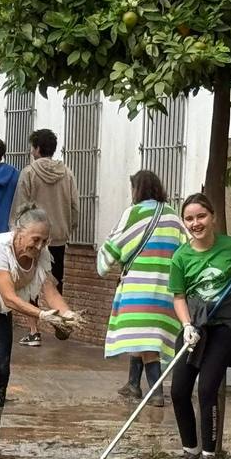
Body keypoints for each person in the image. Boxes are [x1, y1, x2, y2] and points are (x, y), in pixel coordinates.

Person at [0, 208, 79, 459]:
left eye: (44, 240)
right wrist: (42, 316)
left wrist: (69, 316)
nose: (39, 245)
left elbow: (50, 291)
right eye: (35, 239)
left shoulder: (41, 256)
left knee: (2, 371)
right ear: (19, 233)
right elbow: (9, 296)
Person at [168, 192, 231, 459]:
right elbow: (179, 296)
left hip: (224, 327)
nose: (195, 223)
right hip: (195, 326)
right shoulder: (180, 257)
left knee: (208, 388)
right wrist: (186, 326)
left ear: (213, 218)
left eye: (201, 216)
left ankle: (209, 457)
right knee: (178, 389)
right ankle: (190, 450)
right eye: (189, 218)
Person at [97, 170, 185, 407]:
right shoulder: (174, 217)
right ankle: (133, 384)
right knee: (146, 335)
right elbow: (185, 249)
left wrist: (103, 263)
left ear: (138, 190)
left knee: (146, 339)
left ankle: (156, 392)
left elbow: (113, 245)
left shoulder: (133, 214)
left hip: (138, 289)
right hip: (167, 290)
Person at [10, 129, 79, 346]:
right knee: (55, 281)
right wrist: (69, 227)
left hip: (32, 238)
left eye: (32, 147)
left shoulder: (29, 173)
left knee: (31, 282)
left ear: (37, 148)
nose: (31, 152)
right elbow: (75, 205)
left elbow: (21, 207)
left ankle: (33, 331)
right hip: (58, 237)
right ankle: (60, 321)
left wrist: (16, 232)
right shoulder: (67, 173)